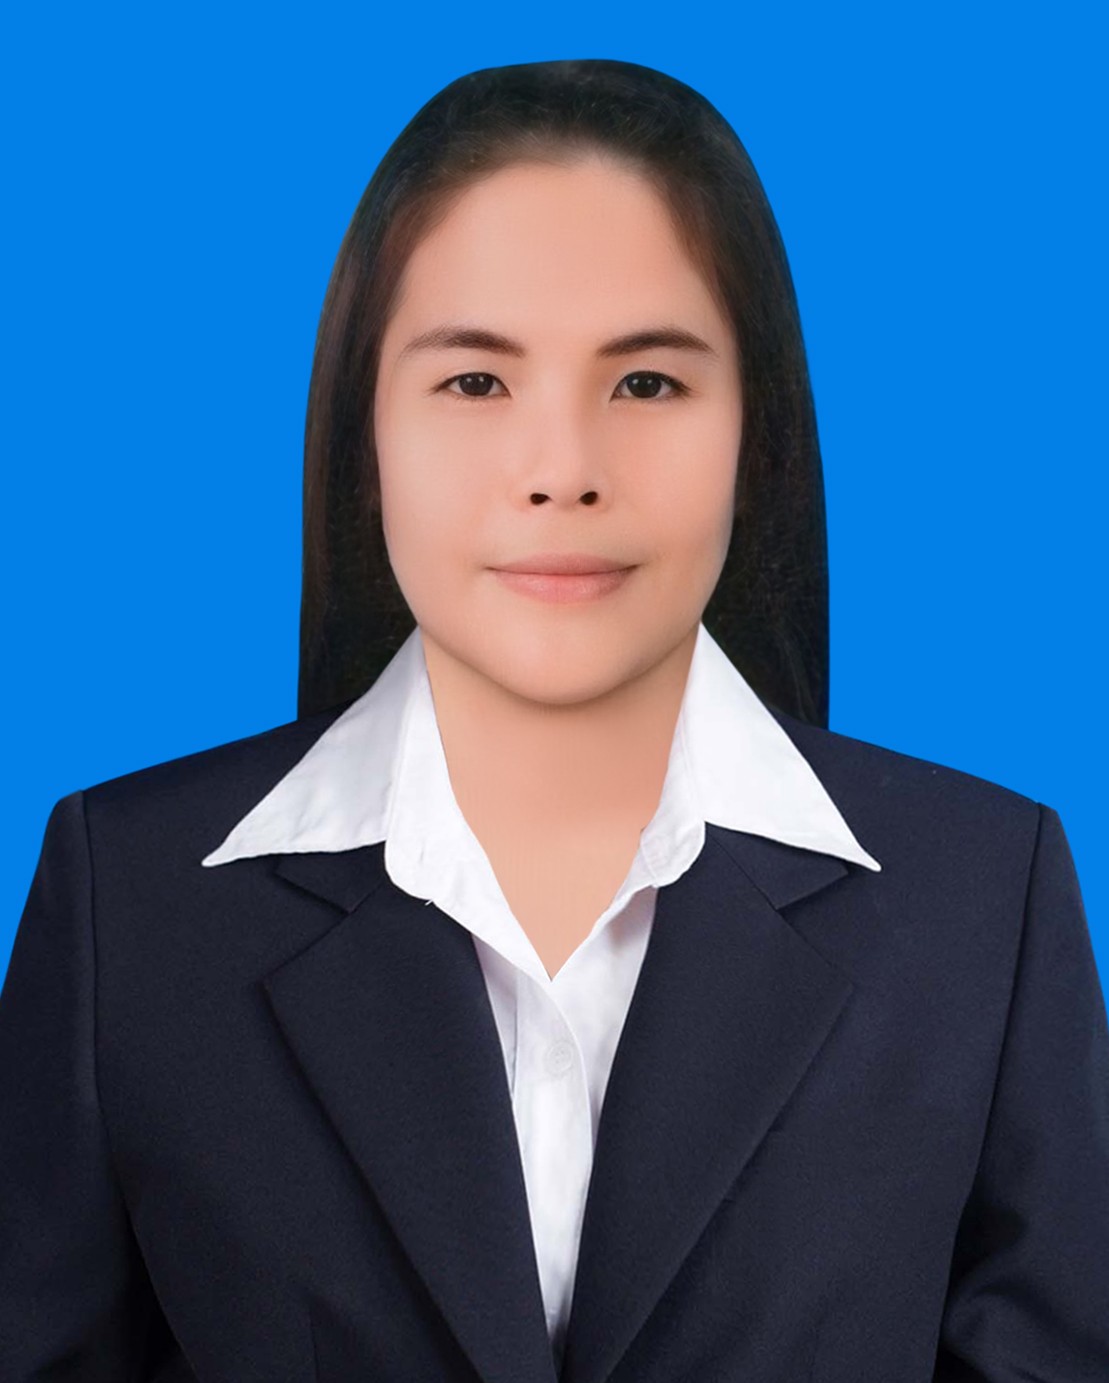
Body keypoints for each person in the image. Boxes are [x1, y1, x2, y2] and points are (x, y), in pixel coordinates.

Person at [1, 56, 1106, 1383]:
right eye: (475, 383)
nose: (562, 472)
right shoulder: (130, 901)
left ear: (754, 434)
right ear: (365, 433)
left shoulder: (982, 900)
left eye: (646, 384)